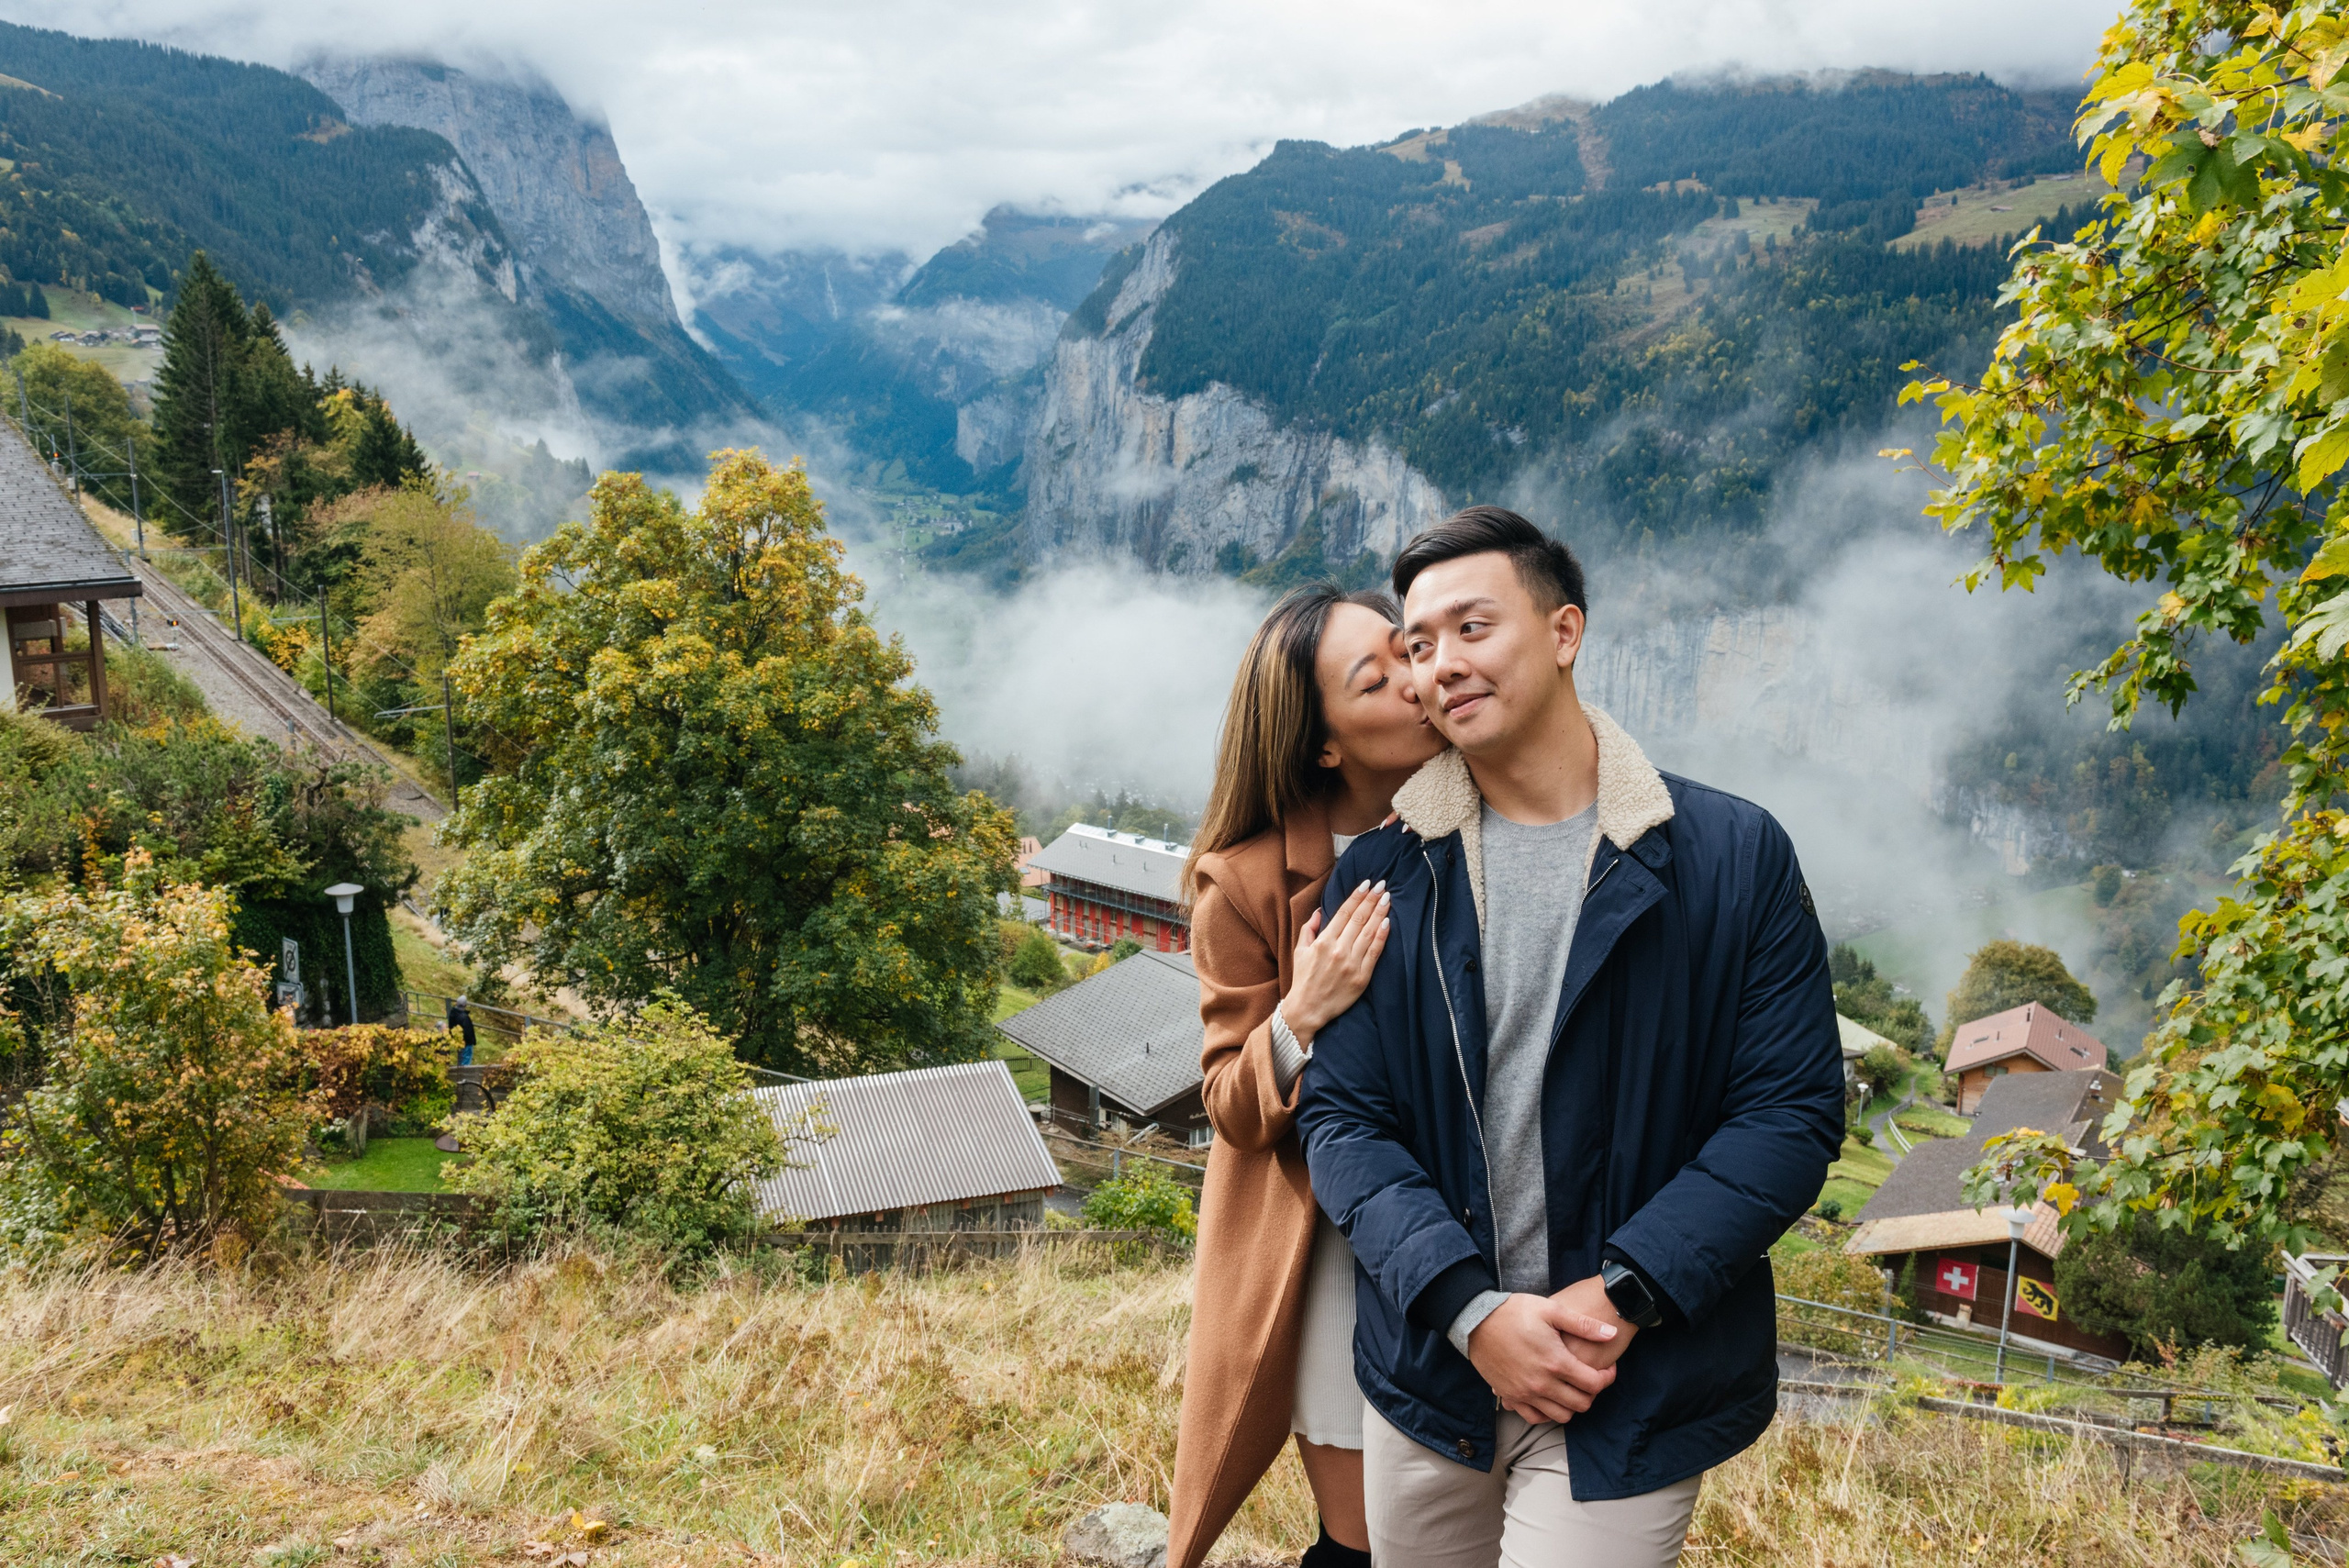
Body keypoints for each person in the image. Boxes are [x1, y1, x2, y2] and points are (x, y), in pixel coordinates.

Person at [1296, 506, 1845, 1567]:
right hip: (1433, 1364)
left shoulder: (1731, 858)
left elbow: (1789, 1113)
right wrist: (1469, 1309)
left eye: (1472, 626)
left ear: (1562, 631)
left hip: (1624, 1375)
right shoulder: (1385, 872)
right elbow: (1345, 1118)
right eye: (1417, 645)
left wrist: (1627, 1290)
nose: (1440, 663)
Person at [1168, 584, 1448, 1568]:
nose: (1422, 679)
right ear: (1323, 742)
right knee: (1364, 1532)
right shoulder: (1242, 883)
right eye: (1378, 677)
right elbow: (1228, 1105)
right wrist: (1302, 1008)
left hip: (1474, 1207)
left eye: (1410, 649)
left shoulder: (1480, 817)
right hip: (1324, 1232)